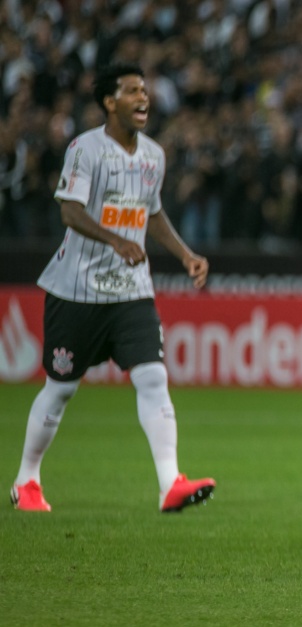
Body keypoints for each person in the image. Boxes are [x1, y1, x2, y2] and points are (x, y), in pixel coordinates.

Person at [9, 63, 216, 514]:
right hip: (76, 290)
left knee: (153, 376)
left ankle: (170, 484)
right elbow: (70, 212)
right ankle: (27, 479)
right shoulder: (85, 150)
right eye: (132, 91)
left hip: (131, 292)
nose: (144, 98)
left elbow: (153, 213)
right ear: (109, 101)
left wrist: (184, 255)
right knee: (61, 389)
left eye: (145, 90)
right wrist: (116, 239)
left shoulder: (153, 156)